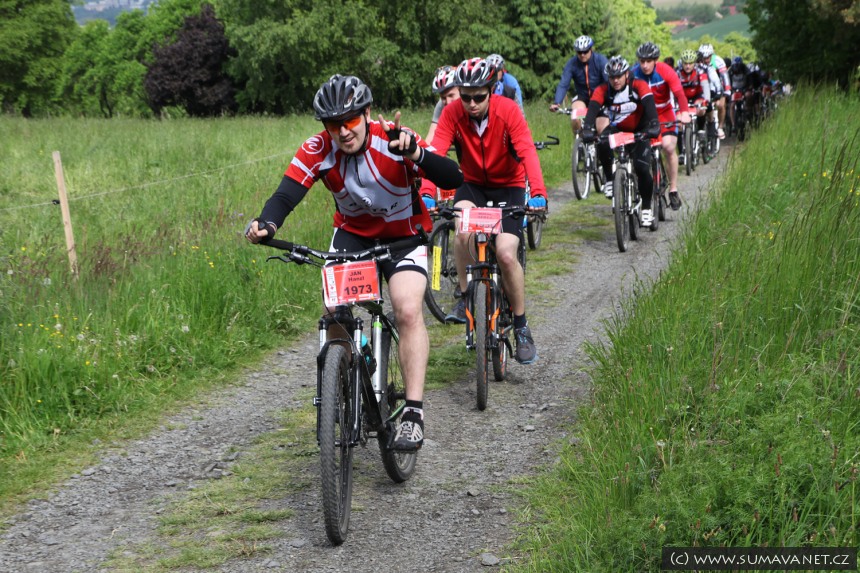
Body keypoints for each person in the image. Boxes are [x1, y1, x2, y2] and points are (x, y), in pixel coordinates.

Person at [245, 74, 464, 451]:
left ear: (366, 113)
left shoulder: (393, 138)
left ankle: (413, 414)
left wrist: (416, 154)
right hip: (353, 236)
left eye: (349, 120)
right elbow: (285, 194)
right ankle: (343, 379)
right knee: (335, 310)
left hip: (403, 238)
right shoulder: (318, 148)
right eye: (334, 124)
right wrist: (267, 223)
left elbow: (453, 176)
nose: (343, 131)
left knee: (407, 309)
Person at [427, 57, 548, 365]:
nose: (471, 103)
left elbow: (527, 150)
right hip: (472, 186)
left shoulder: (508, 111)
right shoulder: (452, 113)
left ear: (492, 91)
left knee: (506, 254)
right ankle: (465, 297)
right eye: (465, 96)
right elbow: (436, 153)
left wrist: (537, 193)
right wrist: (426, 193)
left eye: (478, 97)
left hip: (508, 186)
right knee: (462, 229)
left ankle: (521, 326)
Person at [581, 56, 661, 226]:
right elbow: (593, 109)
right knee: (602, 141)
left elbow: (649, 105)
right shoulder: (603, 90)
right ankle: (610, 180)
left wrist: (654, 124)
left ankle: (647, 208)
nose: (615, 80)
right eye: (612, 77)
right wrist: (587, 128)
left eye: (619, 76)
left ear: (626, 74)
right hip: (618, 129)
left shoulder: (638, 85)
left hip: (640, 129)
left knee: (642, 168)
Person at [632, 42, 690, 211]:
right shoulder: (634, 74)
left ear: (655, 60)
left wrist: (684, 112)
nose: (644, 65)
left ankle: (673, 189)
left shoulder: (666, 71)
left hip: (664, 112)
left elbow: (679, 93)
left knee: (669, 147)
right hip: (644, 115)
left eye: (648, 61)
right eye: (642, 61)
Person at [549, 35, 609, 133]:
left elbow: (609, 81)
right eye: (579, 52)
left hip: (600, 98)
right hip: (583, 97)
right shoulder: (572, 63)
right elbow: (563, 84)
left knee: (601, 129)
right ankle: (579, 140)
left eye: (585, 51)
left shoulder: (600, 60)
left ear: (591, 49)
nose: (582, 55)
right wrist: (557, 102)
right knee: (575, 117)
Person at [676, 49, 711, 141]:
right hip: (682, 97)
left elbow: (705, 86)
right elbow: (672, 90)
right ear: (682, 63)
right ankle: (681, 147)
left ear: (694, 63)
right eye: (685, 63)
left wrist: (706, 100)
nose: (688, 66)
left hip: (697, 95)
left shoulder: (700, 71)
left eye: (690, 63)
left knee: (701, 109)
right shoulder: (677, 72)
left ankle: (700, 130)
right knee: (679, 122)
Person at [698, 44, 730, 139]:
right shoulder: (697, 61)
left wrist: (727, 90)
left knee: (720, 105)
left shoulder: (718, 61)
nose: (706, 60)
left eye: (708, 57)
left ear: (712, 55)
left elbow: (725, 76)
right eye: (704, 58)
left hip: (717, 85)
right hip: (704, 86)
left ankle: (720, 127)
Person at [426, 65, 459, 144]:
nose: (448, 102)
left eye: (451, 95)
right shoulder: (440, 105)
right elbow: (430, 139)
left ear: (461, 90)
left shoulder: (473, 102)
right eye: (443, 98)